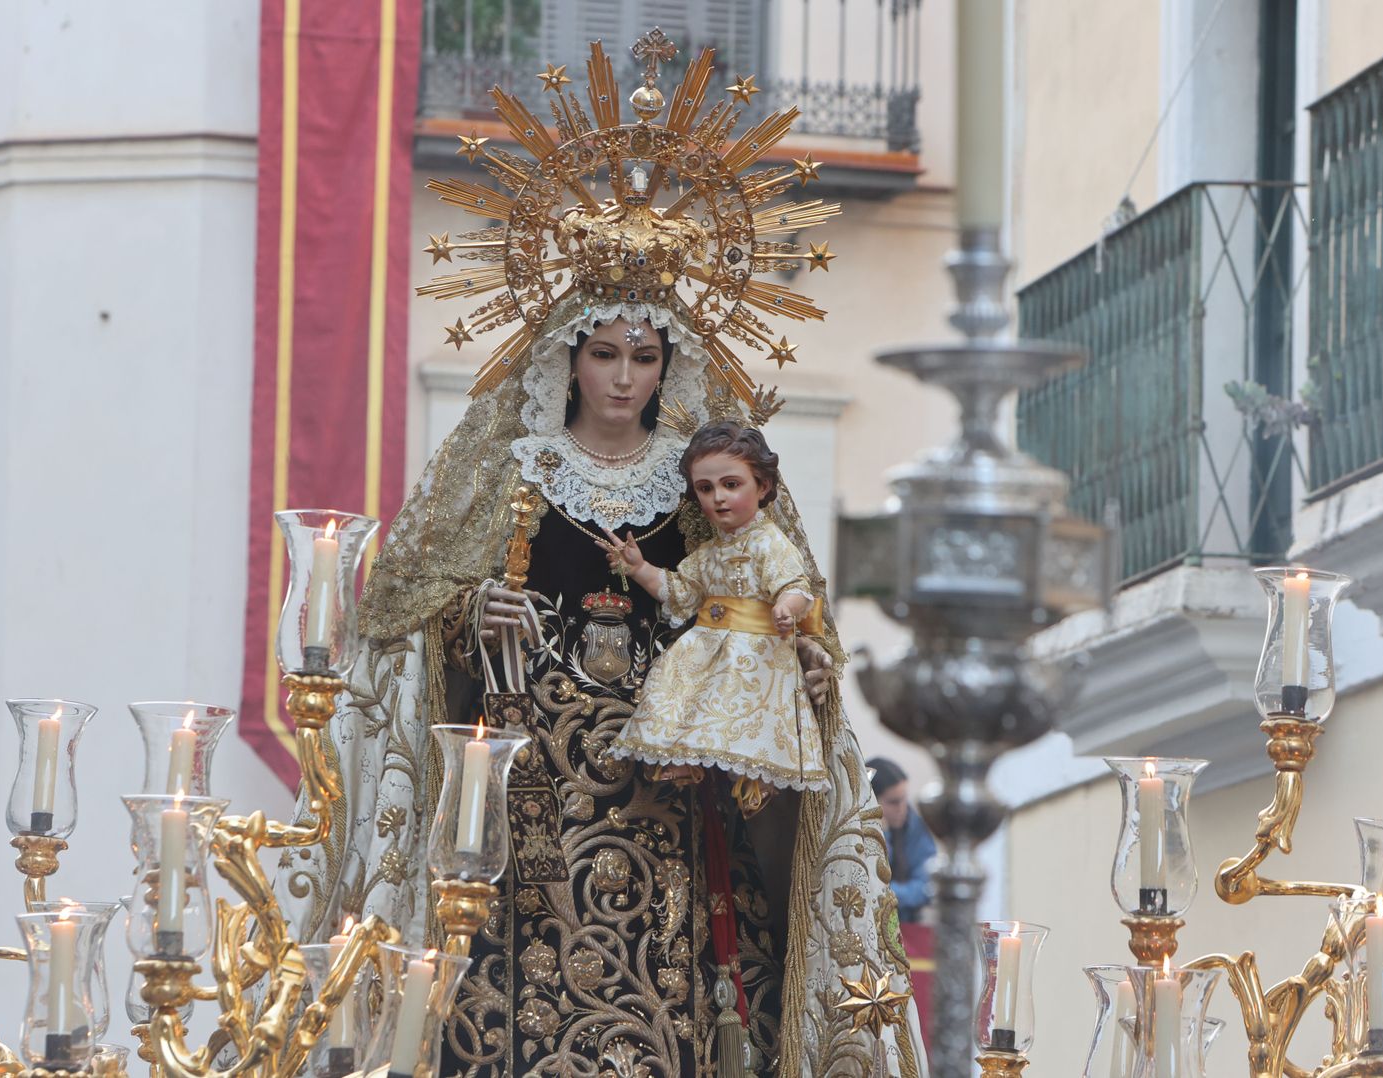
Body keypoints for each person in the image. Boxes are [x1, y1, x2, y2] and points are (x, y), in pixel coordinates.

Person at [278, 34, 925, 1078]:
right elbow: (405, 621)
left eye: (645, 357)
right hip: (524, 812)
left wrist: (795, 657)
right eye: (605, 354)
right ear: (568, 357)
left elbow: (776, 601)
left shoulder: (707, 482)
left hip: (677, 804)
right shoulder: (508, 474)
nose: (624, 379)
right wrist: (468, 618)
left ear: (669, 363)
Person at [602, 421, 829, 818]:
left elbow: (797, 586)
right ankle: (680, 757)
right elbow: (680, 592)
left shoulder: (769, 542)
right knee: (672, 683)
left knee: (737, 703)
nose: (718, 498)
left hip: (753, 649)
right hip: (708, 644)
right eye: (706, 489)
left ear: (762, 486)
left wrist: (786, 607)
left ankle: (752, 777)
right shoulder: (708, 553)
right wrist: (638, 568)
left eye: (731, 484)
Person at [867, 757, 939, 923]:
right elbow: (869, 885)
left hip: (907, 923)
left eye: (904, 799)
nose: (902, 808)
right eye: (893, 802)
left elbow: (928, 886)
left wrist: (890, 894)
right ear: (871, 801)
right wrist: (882, 834)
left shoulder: (913, 824)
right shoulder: (857, 831)